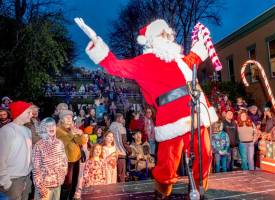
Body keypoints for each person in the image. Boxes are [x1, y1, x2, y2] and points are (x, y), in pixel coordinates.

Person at [76, 18, 218, 197]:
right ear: (151, 40)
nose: (167, 37)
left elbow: (194, 57)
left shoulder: (180, 59)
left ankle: (199, 188)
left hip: (196, 110)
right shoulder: (144, 61)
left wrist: (202, 40)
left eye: (167, 34)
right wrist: (97, 43)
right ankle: (162, 192)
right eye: (162, 34)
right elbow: (117, 67)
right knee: (168, 161)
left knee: (204, 153)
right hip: (170, 117)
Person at [0, 101, 33, 200]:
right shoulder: (6, 131)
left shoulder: (27, 130)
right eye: (28, 112)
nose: (32, 114)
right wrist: (6, 183)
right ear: (20, 113)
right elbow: (1, 159)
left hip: (26, 178)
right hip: (12, 180)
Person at [32, 117, 68, 200]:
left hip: (57, 184)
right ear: (43, 128)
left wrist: (62, 175)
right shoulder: (39, 145)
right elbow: (36, 168)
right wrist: (40, 187)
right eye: (48, 126)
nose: (51, 128)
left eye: (53, 125)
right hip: (44, 187)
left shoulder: (59, 143)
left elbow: (64, 161)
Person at [56, 110, 86, 200]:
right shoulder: (58, 130)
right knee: (66, 184)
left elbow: (82, 142)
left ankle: (71, 197)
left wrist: (80, 134)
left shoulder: (71, 128)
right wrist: (71, 134)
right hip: (66, 161)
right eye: (67, 117)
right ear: (61, 119)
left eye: (70, 117)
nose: (69, 119)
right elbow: (60, 144)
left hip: (76, 159)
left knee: (74, 183)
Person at [108, 113, 129, 182]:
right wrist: (129, 150)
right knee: (121, 175)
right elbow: (124, 142)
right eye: (122, 118)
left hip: (112, 153)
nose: (123, 120)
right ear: (118, 119)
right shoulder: (121, 127)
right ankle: (122, 190)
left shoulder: (110, 127)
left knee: (114, 175)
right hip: (121, 153)